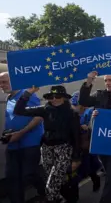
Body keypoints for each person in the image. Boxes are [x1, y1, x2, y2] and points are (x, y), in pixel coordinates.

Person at [14, 85, 81, 203]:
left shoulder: (72, 113)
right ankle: (67, 198)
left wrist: (76, 157)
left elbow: (76, 135)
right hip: (46, 149)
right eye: (51, 96)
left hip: (64, 148)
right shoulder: (45, 109)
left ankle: (55, 199)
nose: (54, 99)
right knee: (56, 180)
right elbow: (18, 110)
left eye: (58, 96)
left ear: (64, 98)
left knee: (51, 184)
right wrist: (28, 93)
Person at [79, 72, 111, 203]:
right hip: (100, 142)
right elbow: (83, 101)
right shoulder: (99, 95)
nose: (107, 83)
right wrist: (89, 81)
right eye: (106, 80)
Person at [0, 72, 46, 203]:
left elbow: (39, 116)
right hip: (13, 144)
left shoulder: (27, 95)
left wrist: (20, 133)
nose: (1, 85)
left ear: (14, 80)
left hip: (30, 144)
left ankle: (47, 191)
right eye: (0, 82)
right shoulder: (9, 98)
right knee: (12, 178)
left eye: (4, 81)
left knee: (29, 174)